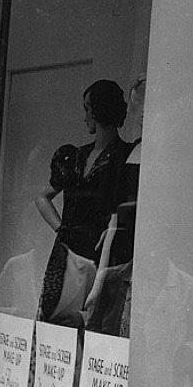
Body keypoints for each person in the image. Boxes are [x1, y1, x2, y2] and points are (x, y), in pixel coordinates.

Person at [34, 79, 135, 327]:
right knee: (54, 322)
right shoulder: (74, 157)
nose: (85, 116)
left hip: (102, 257)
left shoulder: (125, 156)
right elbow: (42, 197)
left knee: (92, 323)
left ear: (100, 110)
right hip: (66, 254)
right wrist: (61, 229)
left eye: (88, 108)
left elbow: (126, 209)